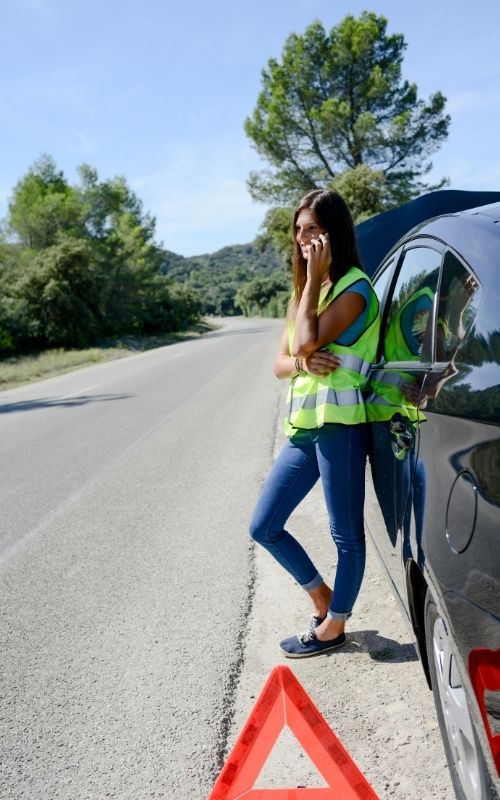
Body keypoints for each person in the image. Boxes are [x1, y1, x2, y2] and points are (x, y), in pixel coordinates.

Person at [249, 189, 380, 658]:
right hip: (305, 430)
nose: (304, 239)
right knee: (263, 526)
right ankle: (321, 597)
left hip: (341, 427)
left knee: (346, 535)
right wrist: (303, 363)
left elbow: (303, 342)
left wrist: (315, 283)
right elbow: (283, 362)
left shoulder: (355, 290)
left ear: (334, 233)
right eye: (299, 230)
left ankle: (335, 625)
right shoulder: (304, 293)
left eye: (314, 229)